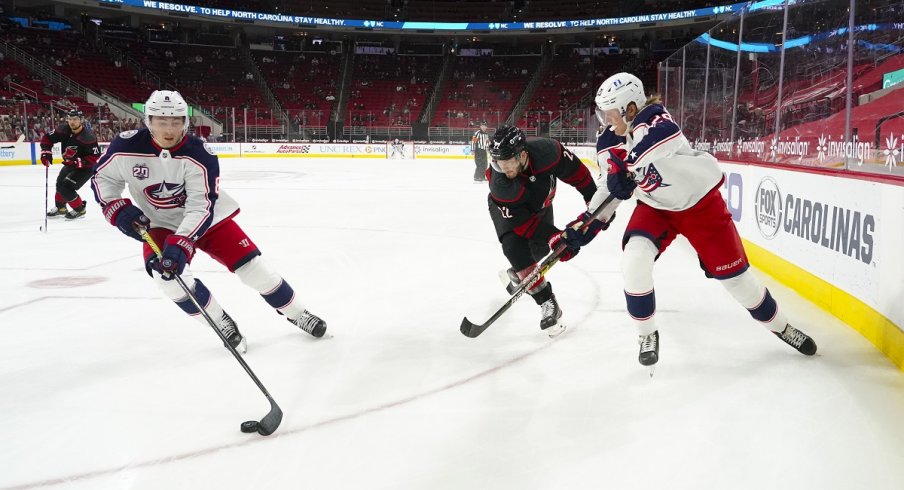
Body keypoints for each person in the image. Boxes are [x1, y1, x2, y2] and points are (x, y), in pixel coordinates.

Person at [592, 72, 817, 368]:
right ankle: (646, 333)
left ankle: (782, 326)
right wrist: (585, 224)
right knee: (634, 262)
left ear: (630, 108)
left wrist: (629, 166)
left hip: (701, 206)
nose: (606, 121)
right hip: (656, 208)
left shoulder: (654, 118)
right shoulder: (608, 139)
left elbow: (665, 139)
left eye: (610, 114)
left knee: (739, 283)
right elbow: (608, 187)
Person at [91, 90, 327, 353]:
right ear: (148, 121)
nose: (169, 129)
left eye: (176, 121)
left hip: (207, 218)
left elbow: (200, 206)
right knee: (167, 278)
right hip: (158, 223)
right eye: (161, 121)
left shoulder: (199, 154)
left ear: (185, 122)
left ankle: (297, 313)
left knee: (254, 268)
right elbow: (103, 179)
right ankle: (220, 321)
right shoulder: (125, 147)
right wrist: (116, 207)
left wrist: (181, 243)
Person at [487, 125, 615, 337]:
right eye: (499, 163)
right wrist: (553, 236)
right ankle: (547, 302)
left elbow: (578, 173)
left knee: (537, 253)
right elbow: (523, 225)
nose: (504, 169)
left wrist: (595, 204)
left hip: (541, 203)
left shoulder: (547, 152)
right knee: (514, 246)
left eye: (508, 162)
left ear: (523, 155)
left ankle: (520, 272)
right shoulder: (501, 185)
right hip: (511, 211)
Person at [42, 109, 101, 219]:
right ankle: (60, 208)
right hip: (69, 164)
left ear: (80, 120)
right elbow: (47, 137)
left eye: (75, 119)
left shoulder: (88, 137)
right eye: (70, 119)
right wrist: (46, 151)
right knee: (59, 184)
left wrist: (77, 162)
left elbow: (95, 158)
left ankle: (80, 209)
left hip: (85, 168)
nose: (72, 122)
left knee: (66, 189)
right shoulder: (63, 129)